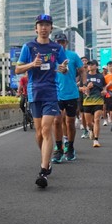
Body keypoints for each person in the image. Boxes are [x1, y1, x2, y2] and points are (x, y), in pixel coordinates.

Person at [15, 14, 68, 188]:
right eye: (41, 25)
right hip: (34, 93)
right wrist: (32, 64)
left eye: (47, 25)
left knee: (46, 129)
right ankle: (47, 159)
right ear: (36, 28)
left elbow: (63, 68)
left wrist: (63, 69)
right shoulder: (28, 47)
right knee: (39, 133)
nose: (44, 27)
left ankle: (43, 171)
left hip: (51, 92)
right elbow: (17, 69)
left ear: (51, 28)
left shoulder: (56, 48)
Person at [52, 33, 85, 162]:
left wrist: (84, 84)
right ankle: (59, 149)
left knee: (70, 122)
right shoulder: (51, 56)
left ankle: (70, 147)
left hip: (71, 93)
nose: (60, 44)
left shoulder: (73, 55)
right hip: (56, 93)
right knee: (57, 121)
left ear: (66, 43)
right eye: (58, 42)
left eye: (62, 42)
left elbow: (82, 70)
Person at [80, 60, 106, 147]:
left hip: (98, 100)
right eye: (89, 65)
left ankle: (96, 140)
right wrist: (87, 87)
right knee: (89, 123)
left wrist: (104, 91)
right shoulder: (85, 76)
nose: (90, 66)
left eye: (92, 64)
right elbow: (81, 88)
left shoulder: (100, 76)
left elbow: (104, 86)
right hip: (87, 101)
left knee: (97, 120)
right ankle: (91, 130)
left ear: (96, 66)